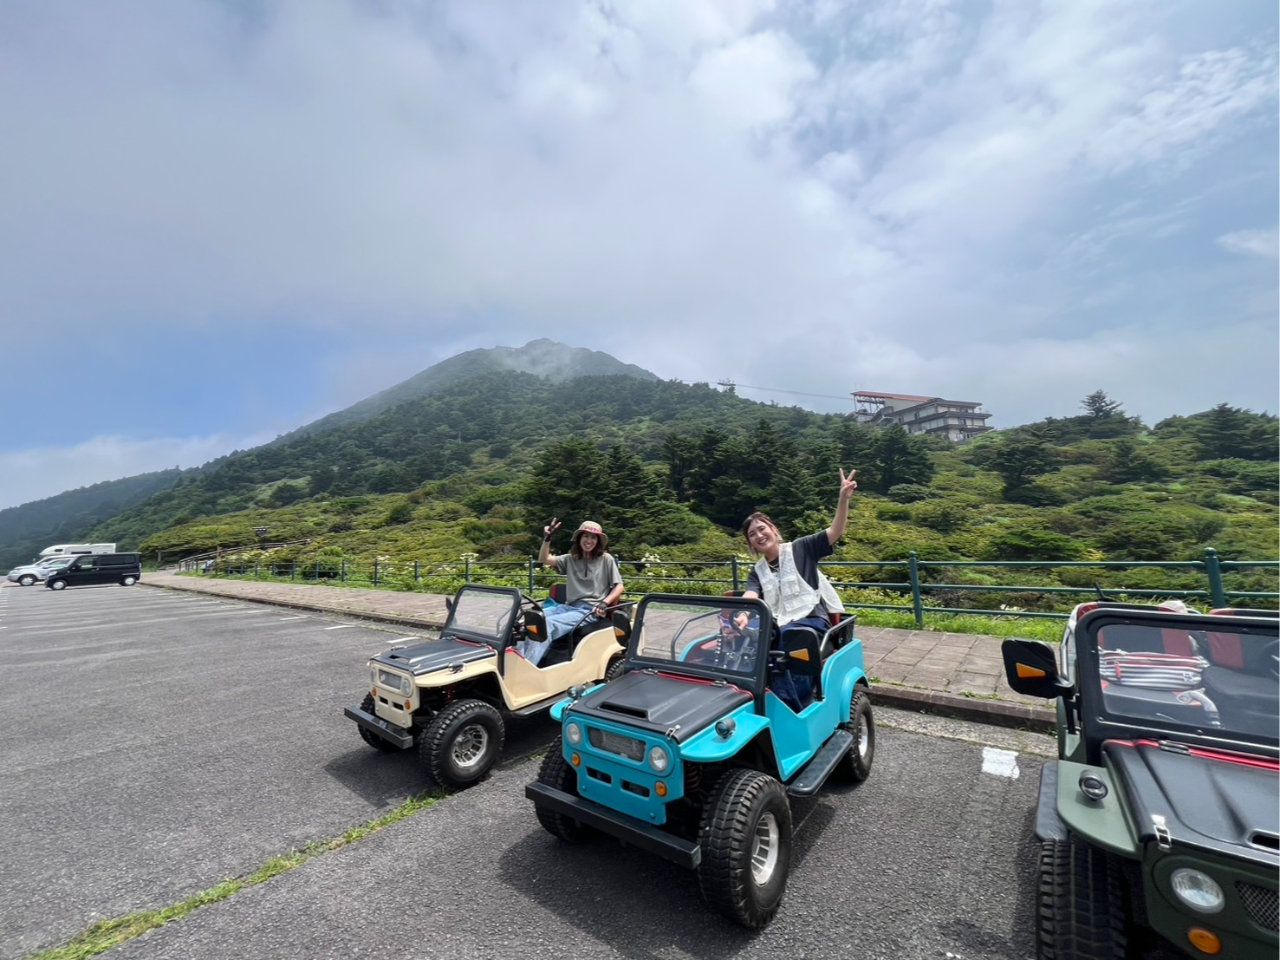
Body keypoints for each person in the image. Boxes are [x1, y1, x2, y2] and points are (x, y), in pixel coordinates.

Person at [741, 468, 857, 711]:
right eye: (753, 534)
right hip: (778, 626)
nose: (759, 535)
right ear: (750, 543)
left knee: (790, 639)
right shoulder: (758, 570)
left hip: (811, 621)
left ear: (773, 529)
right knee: (745, 645)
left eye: (762, 529)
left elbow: (834, 532)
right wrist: (742, 612)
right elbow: (751, 594)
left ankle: (789, 707)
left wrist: (843, 499)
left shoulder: (801, 548)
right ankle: (750, 698)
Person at [517, 519, 625, 666]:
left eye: (593, 537)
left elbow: (619, 586)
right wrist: (547, 538)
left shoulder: (606, 559)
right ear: (579, 538)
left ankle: (526, 669)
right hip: (569, 606)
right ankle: (516, 661)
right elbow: (544, 559)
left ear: (598, 541)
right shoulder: (571, 559)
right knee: (529, 619)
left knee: (547, 625)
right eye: (585, 536)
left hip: (589, 610)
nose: (589, 540)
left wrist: (604, 603)